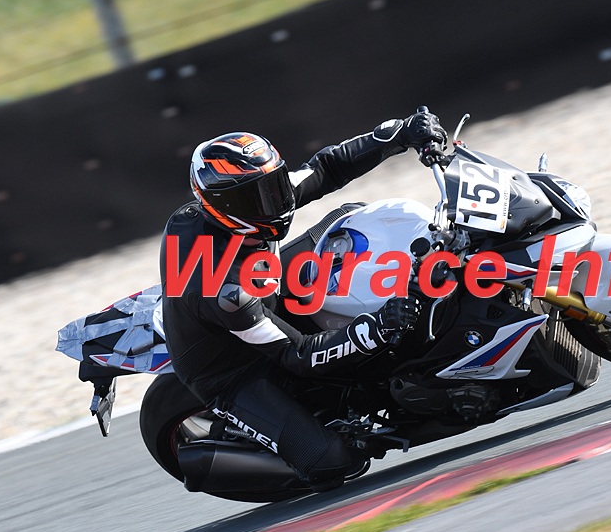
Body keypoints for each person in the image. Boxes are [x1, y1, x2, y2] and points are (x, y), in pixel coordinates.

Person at [160, 109, 448, 491]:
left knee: (353, 219)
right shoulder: (224, 290)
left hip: (272, 282)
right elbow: (297, 355)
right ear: (224, 208)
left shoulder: (254, 199)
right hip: (237, 369)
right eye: (260, 196)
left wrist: (399, 134)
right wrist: (376, 327)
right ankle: (258, 443)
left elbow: (326, 168)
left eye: (275, 185)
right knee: (334, 462)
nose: (277, 200)